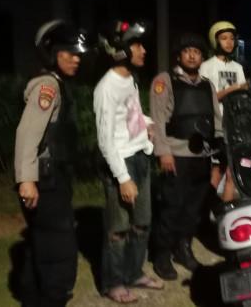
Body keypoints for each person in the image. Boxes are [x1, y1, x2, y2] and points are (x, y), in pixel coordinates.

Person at [14, 20, 88, 307]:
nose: (76, 59)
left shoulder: (57, 85)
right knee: (58, 249)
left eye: (78, 54)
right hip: (45, 180)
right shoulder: (47, 86)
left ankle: (33, 299)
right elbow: (27, 133)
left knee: (42, 244)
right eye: (69, 53)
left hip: (53, 178)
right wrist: (26, 180)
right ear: (52, 53)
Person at [94, 20, 163, 303]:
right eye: (136, 45)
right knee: (118, 230)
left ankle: (134, 273)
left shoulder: (130, 79)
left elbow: (132, 113)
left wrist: (148, 123)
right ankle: (113, 283)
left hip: (140, 156)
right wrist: (123, 178)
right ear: (121, 50)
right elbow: (105, 140)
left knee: (142, 223)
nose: (143, 50)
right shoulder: (106, 88)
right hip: (120, 163)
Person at [149, 33, 222, 281]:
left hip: (202, 156)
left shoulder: (207, 85)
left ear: (202, 57)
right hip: (176, 154)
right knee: (172, 206)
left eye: (197, 52)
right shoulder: (165, 81)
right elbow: (158, 119)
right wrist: (163, 152)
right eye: (187, 51)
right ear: (179, 56)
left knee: (193, 208)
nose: (192, 55)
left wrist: (218, 151)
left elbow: (216, 119)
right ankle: (162, 254)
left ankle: (183, 248)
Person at [200, 21, 249, 202]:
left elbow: (243, 96)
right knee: (217, 171)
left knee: (232, 172)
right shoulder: (207, 66)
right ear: (215, 41)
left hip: (236, 126)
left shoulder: (238, 68)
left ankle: (225, 211)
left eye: (231, 38)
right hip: (216, 126)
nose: (229, 42)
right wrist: (233, 89)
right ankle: (205, 210)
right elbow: (208, 97)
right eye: (224, 38)